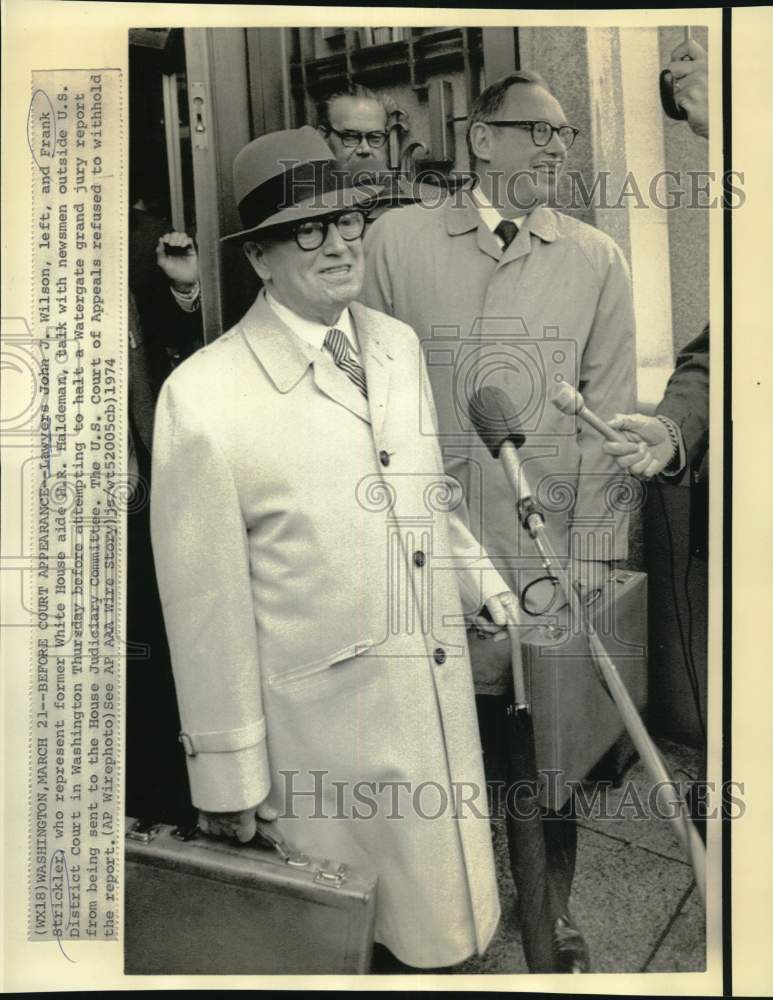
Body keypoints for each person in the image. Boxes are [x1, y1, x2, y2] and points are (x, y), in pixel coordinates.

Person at [150, 126, 523, 972]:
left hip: (432, 695)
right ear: (260, 259)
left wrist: (476, 579)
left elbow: (425, 492)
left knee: (453, 922)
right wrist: (230, 780)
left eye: (348, 220)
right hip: (327, 743)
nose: (339, 243)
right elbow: (204, 612)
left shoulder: (392, 345)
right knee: (353, 942)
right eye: (308, 230)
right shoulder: (201, 398)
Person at [360, 69, 640, 972]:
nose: (556, 149)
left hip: (543, 552)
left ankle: (547, 913)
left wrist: (591, 556)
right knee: (442, 749)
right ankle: (451, 918)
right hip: (429, 554)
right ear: (481, 139)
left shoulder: (595, 258)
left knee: (547, 760)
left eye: (563, 136)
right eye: (537, 132)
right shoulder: (396, 241)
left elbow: (611, 411)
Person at [317, 84, 441, 219]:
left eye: (375, 137)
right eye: (350, 137)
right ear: (323, 136)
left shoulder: (427, 203)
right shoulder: (309, 207)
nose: (365, 149)